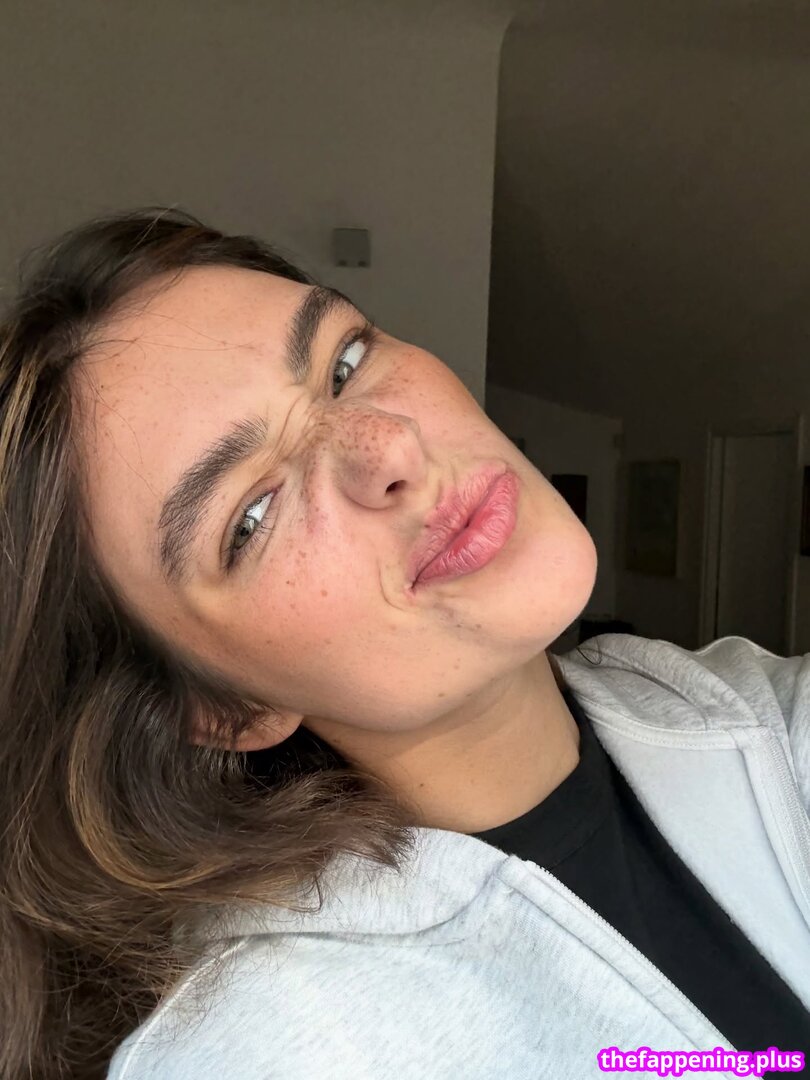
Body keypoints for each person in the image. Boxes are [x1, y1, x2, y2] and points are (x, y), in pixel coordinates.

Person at [0, 208, 807, 1080]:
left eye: (344, 363)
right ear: (227, 709)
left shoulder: (750, 706)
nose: (390, 445)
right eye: (252, 514)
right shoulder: (272, 1049)